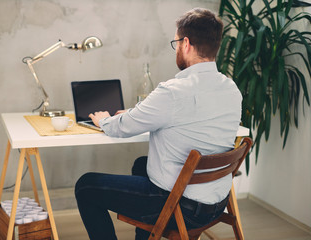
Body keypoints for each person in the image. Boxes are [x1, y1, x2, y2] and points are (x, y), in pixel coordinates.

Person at [75, 8, 242, 240]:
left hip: (182, 208)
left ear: (186, 43)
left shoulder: (173, 92)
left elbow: (121, 127)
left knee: (85, 186)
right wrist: (140, 113)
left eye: (175, 43)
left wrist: (104, 120)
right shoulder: (231, 89)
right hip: (215, 204)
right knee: (141, 165)